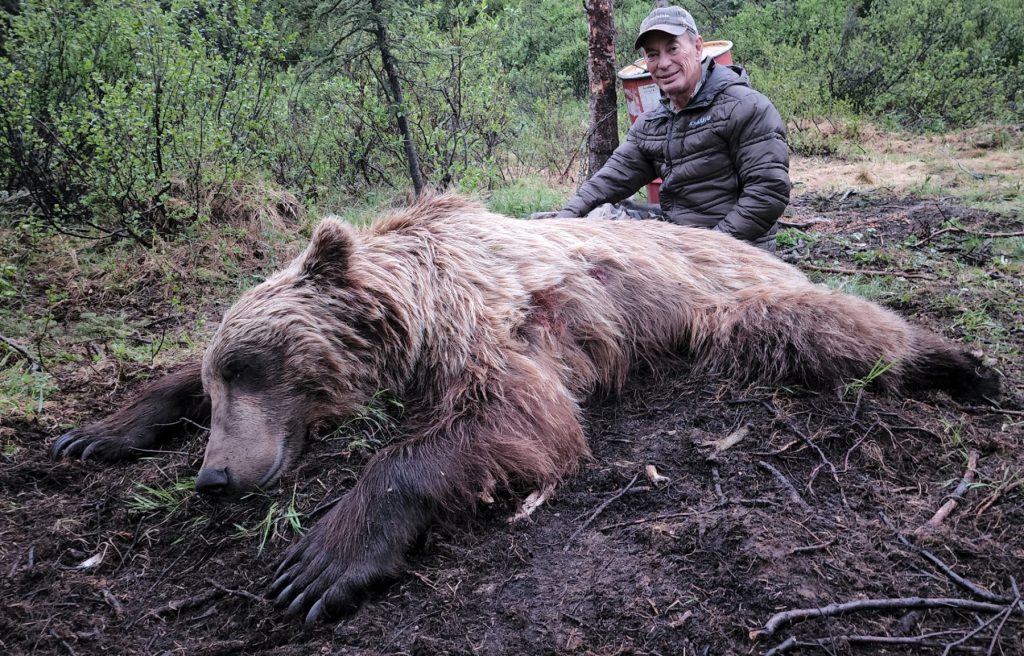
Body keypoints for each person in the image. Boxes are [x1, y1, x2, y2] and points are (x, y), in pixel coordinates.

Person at [556, 5, 791, 252]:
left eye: (673, 49)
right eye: (652, 54)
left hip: (741, 259)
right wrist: (561, 223)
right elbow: (608, 181)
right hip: (682, 249)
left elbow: (768, 193)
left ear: (698, 47)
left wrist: (710, 251)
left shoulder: (745, 107)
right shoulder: (652, 125)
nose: (663, 63)